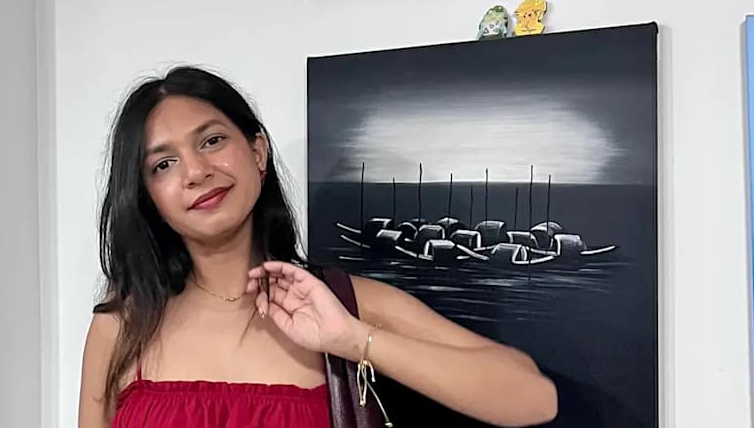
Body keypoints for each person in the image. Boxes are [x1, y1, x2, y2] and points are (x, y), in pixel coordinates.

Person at [77, 66, 559, 428]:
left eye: (213, 141)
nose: (195, 171)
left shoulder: (345, 303)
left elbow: (533, 398)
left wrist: (353, 340)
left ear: (258, 152)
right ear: (148, 197)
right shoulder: (121, 325)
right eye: (163, 164)